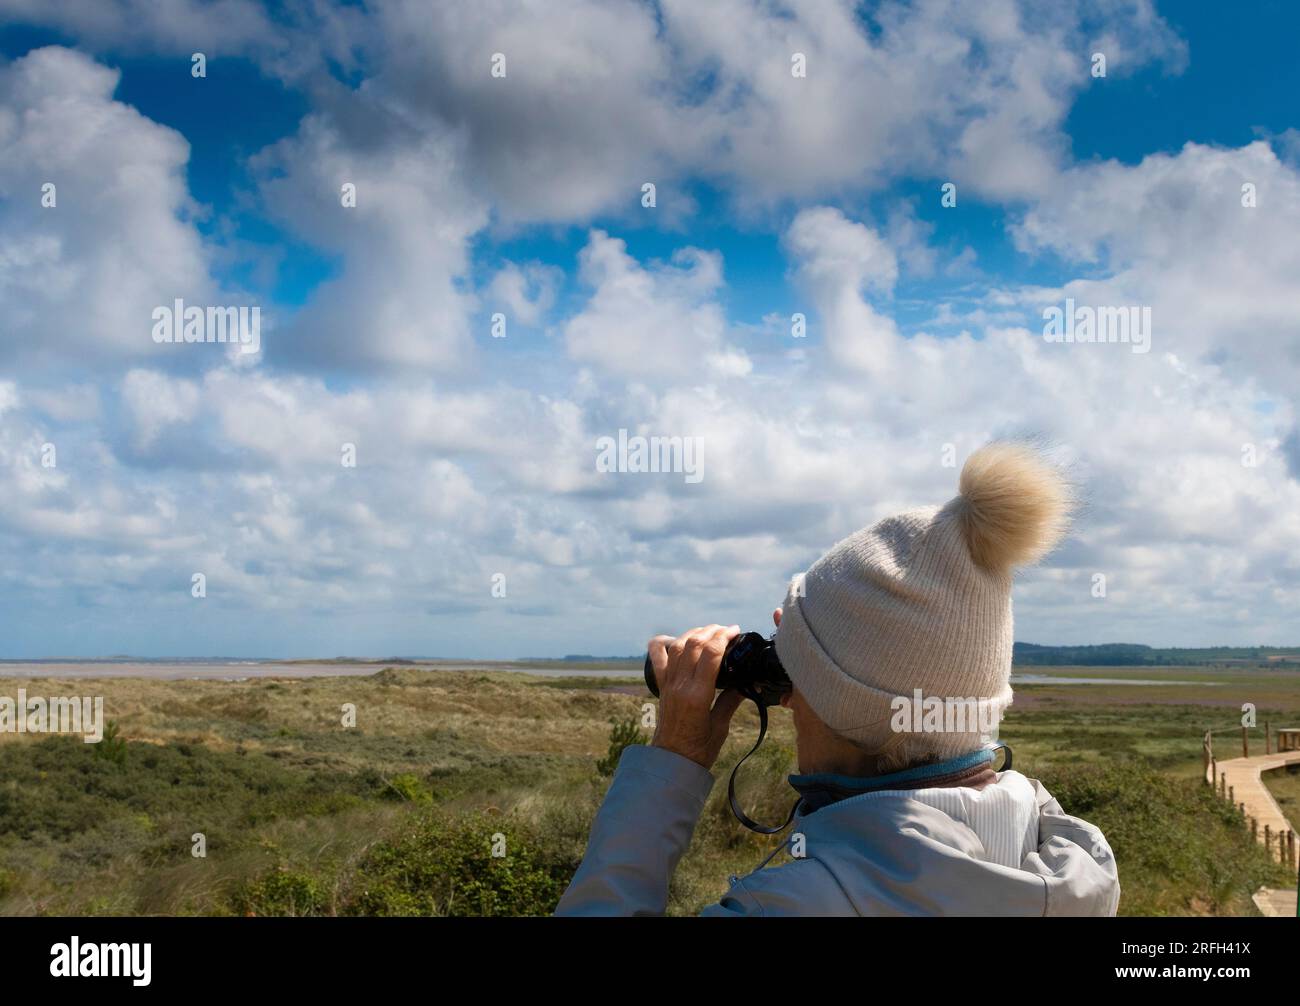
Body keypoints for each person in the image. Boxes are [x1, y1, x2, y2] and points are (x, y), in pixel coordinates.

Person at [554, 442, 1120, 916]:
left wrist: (672, 760)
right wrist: (815, 649)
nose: (790, 698)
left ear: (837, 709)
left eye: (794, 675)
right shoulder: (1069, 864)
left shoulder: (788, 907)